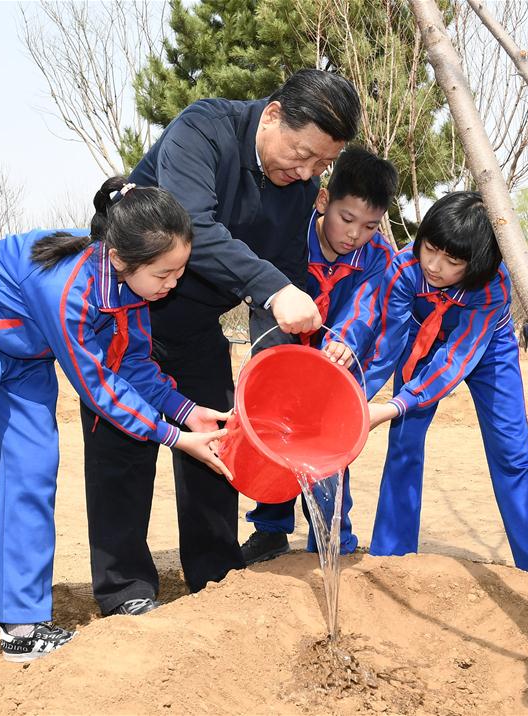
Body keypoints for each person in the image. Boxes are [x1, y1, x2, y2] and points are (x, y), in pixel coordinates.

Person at [0, 178, 232, 713]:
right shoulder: (69, 288)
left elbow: (137, 366)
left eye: (179, 271)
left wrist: (190, 411)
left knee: (32, 476)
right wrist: (176, 438)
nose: (172, 283)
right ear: (121, 257)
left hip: (26, 355)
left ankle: (23, 625)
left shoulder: (136, 287)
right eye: (165, 273)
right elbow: (100, 390)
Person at [81, 69, 361, 616]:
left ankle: (213, 575)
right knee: (124, 447)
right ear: (275, 114)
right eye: (301, 153)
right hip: (123, 320)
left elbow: (283, 266)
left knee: (218, 441)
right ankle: (126, 590)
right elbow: (197, 229)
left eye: (320, 164)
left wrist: (289, 349)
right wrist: (276, 290)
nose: (306, 171)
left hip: (193, 329)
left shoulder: (298, 189)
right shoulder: (203, 130)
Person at [366, 192, 528, 576]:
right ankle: (392, 555)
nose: (434, 266)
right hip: (421, 340)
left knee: (512, 447)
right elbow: (387, 343)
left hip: (487, 348)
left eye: (452, 261)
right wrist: (359, 397)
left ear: (478, 265)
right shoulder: (404, 268)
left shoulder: (492, 287)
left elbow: (456, 359)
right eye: (430, 249)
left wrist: (397, 405)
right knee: (404, 442)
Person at [240, 146, 398, 564]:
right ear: (324, 200)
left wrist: (346, 338)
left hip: (333, 364)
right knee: (274, 432)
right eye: (346, 219)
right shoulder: (290, 233)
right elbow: (265, 292)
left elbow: (366, 305)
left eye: (369, 226)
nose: (354, 235)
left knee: (328, 444)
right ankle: (270, 529)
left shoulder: (378, 257)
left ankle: (331, 538)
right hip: (281, 353)